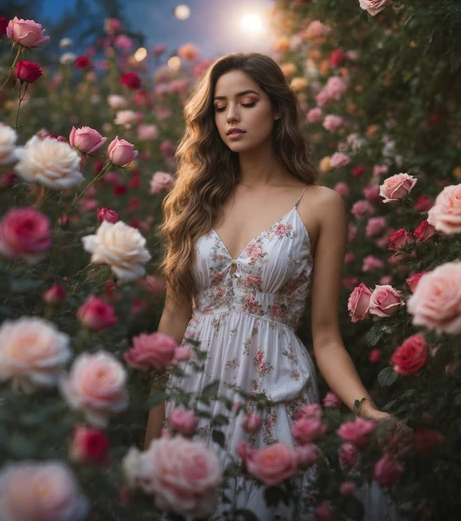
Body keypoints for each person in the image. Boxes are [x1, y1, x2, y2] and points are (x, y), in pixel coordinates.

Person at [145, 53, 398, 519]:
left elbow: (326, 337)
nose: (231, 117)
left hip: (274, 392)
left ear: (278, 109)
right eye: (220, 107)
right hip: (194, 393)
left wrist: (367, 409)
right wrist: (151, 439)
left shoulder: (320, 205)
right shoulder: (195, 203)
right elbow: (173, 320)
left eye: (247, 102)